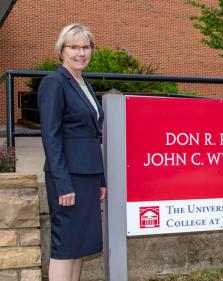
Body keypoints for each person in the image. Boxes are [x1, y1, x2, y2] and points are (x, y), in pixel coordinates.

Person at [37, 23, 106, 281]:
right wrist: (63, 182)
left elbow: (91, 135)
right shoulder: (54, 82)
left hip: (87, 175)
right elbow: (51, 137)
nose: (81, 52)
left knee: (80, 244)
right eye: (74, 47)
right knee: (66, 246)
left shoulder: (83, 84)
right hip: (67, 177)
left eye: (86, 47)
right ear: (62, 50)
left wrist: (101, 179)